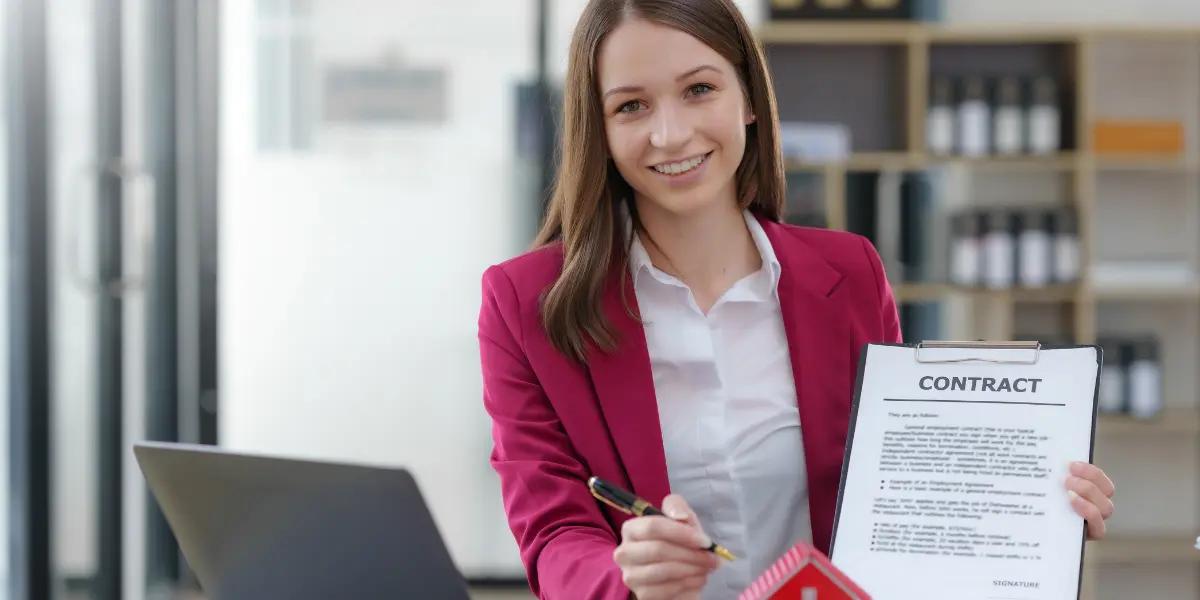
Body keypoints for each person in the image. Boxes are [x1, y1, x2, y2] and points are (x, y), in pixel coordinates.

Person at [477, 1, 1116, 598]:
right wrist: (624, 575)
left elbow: (898, 486)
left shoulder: (850, 274)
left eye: (699, 89)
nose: (670, 134)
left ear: (750, 99)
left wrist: (1030, 513)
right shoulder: (525, 303)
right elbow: (552, 532)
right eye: (631, 106)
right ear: (600, 130)